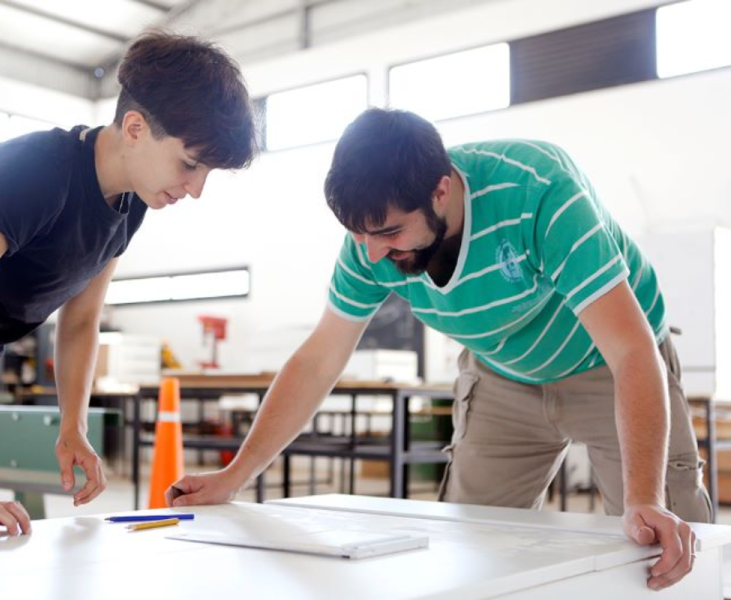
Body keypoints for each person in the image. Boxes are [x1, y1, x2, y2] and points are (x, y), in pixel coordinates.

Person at [167, 108, 710, 590]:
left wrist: (646, 497)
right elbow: (317, 360)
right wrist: (233, 476)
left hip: (605, 363)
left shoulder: (538, 190)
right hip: (501, 374)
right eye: (361, 237)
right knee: (472, 555)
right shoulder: (369, 240)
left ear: (440, 189)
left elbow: (632, 352)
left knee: (665, 551)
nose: (375, 254)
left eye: (389, 233)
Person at [0, 30, 257, 537]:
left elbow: (79, 323)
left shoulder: (130, 204)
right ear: (136, 127)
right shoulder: (36, 171)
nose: (197, 189)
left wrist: (72, 425)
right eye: (190, 164)